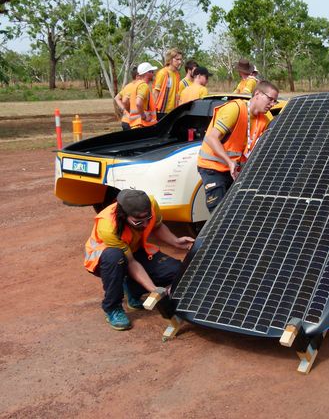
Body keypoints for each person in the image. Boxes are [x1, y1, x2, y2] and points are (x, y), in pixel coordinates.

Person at [84, 189, 194, 330]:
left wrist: (176, 241)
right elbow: (131, 263)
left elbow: (157, 226)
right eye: (138, 222)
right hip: (106, 258)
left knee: (176, 271)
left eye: (147, 219)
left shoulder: (151, 204)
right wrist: (154, 290)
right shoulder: (108, 226)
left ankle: (132, 291)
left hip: (134, 250)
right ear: (124, 215)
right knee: (116, 258)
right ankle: (113, 308)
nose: (144, 225)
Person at [197, 80, 279, 212]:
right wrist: (229, 162)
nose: (272, 104)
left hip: (235, 170)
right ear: (257, 93)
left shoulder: (264, 120)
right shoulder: (235, 109)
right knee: (218, 211)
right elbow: (212, 138)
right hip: (213, 168)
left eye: (275, 101)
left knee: (236, 209)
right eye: (270, 99)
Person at [124, 62, 158, 128]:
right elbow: (138, 103)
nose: (153, 73)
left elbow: (125, 101)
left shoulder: (135, 85)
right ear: (147, 73)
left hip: (135, 124)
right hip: (142, 125)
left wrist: (132, 114)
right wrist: (143, 116)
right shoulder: (143, 86)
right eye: (151, 71)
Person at [153, 48, 184, 116]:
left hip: (172, 111)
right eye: (177, 59)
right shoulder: (163, 73)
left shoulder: (177, 74)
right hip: (160, 111)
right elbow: (156, 92)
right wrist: (153, 111)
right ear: (170, 59)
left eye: (180, 59)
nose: (180, 62)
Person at [114, 66, 139, 131]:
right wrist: (125, 109)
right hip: (132, 123)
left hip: (125, 121)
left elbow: (117, 98)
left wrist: (123, 110)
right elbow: (122, 100)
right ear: (137, 76)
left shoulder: (127, 86)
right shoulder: (136, 87)